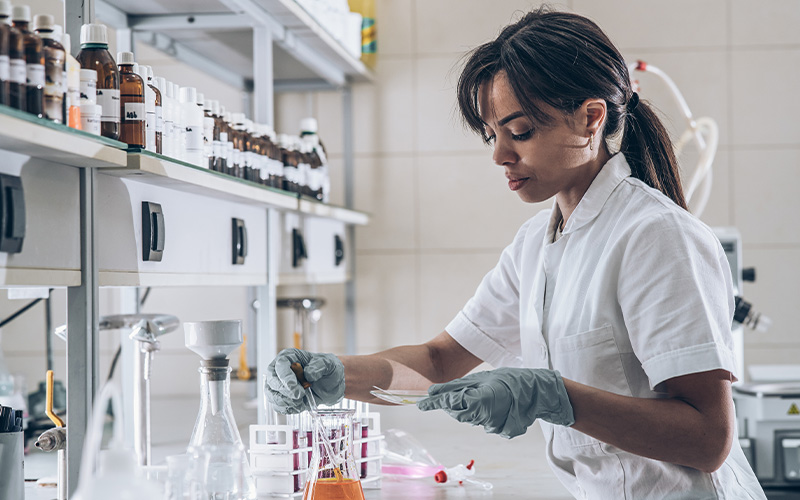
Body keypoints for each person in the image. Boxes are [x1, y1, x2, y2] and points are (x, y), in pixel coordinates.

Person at [266, 7, 766, 499]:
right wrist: (331, 374)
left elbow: (707, 439)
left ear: (591, 119)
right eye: (493, 135)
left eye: (521, 132)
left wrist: (553, 395)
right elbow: (439, 362)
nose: (500, 155)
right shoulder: (536, 244)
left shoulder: (655, 236)